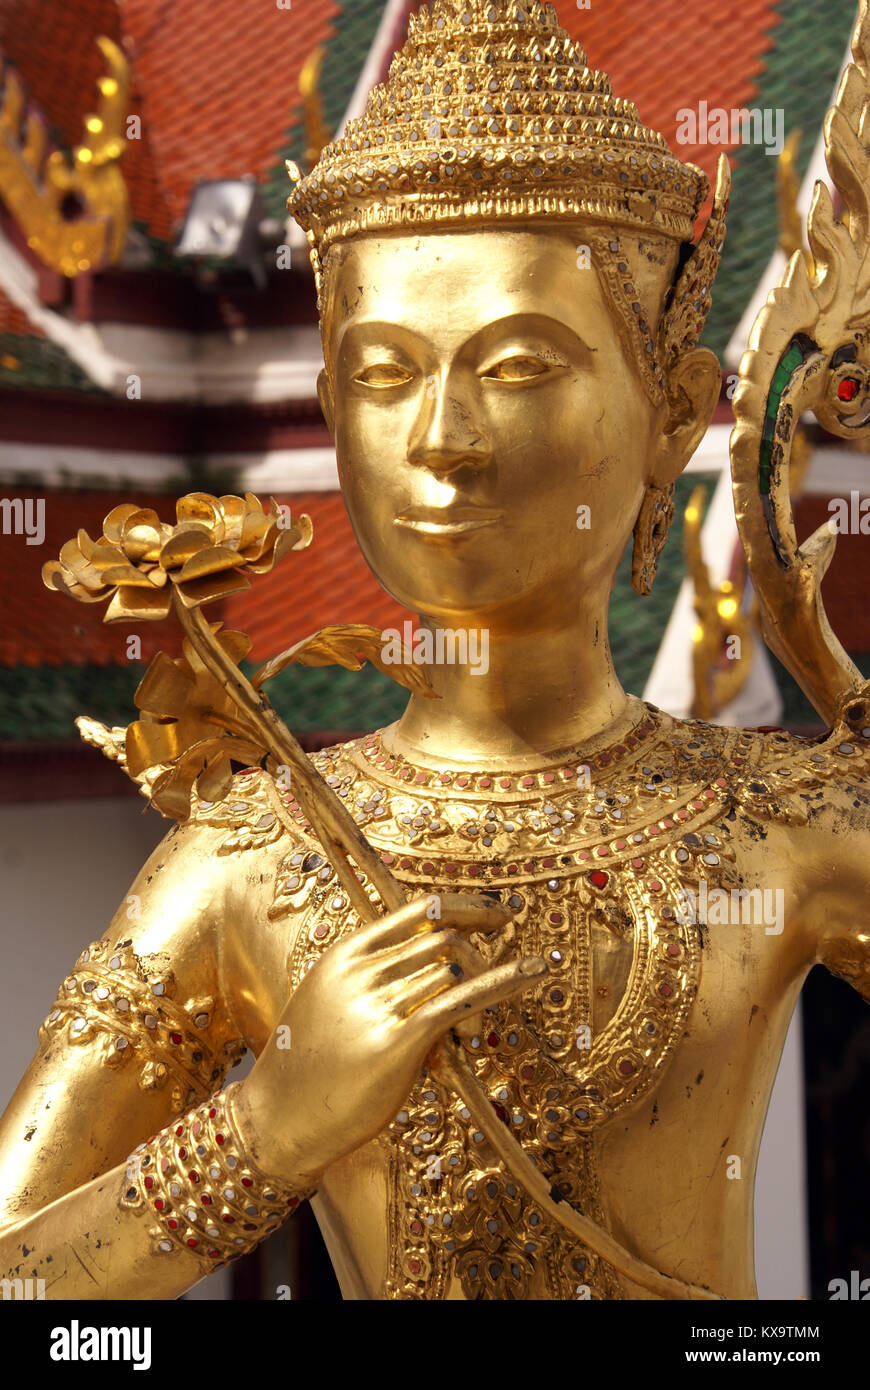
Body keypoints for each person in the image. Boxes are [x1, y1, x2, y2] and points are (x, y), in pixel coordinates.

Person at [1, 0, 868, 1301]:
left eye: (518, 365)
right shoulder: (251, 866)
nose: (442, 436)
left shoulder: (783, 825)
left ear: (669, 419)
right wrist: (268, 1128)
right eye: (386, 370)